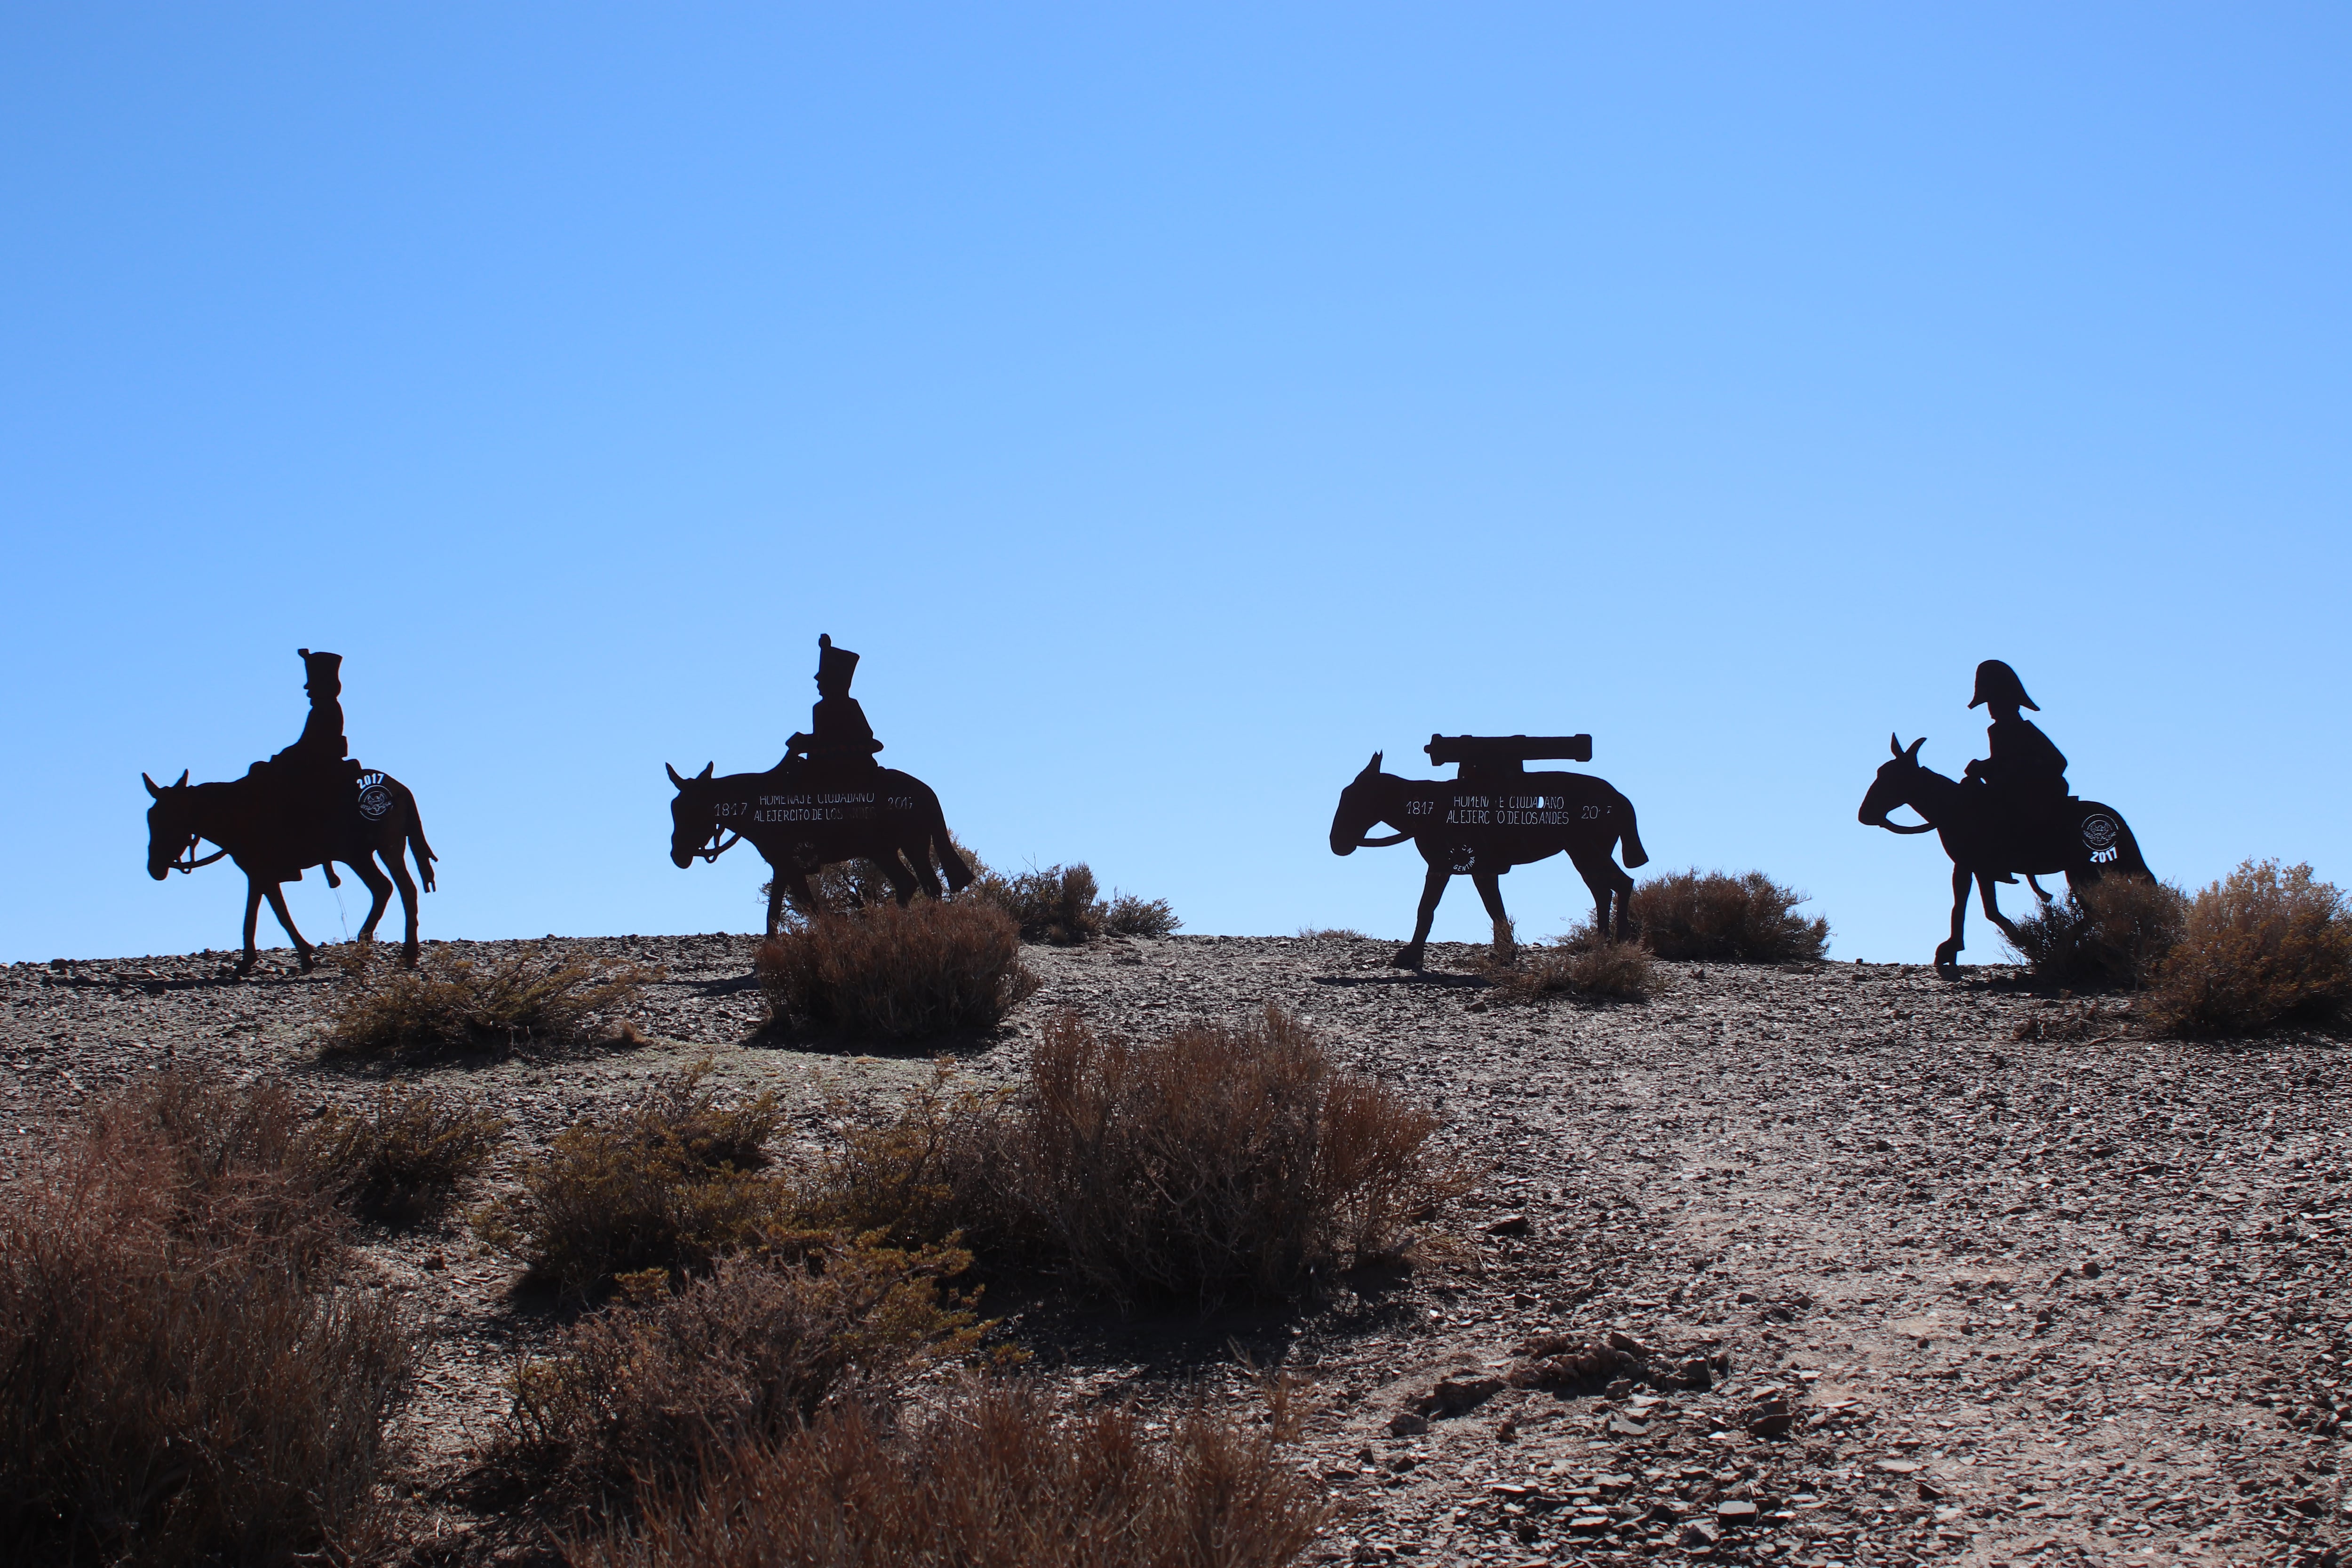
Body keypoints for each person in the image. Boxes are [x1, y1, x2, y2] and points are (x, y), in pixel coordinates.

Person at [1962, 659, 2069, 844]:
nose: (1991, 708)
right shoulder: (1996, 731)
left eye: (1995, 701)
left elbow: (2058, 761)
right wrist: (1984, 768)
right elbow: (2000, 762)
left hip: (2033, 794)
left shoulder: (2024, 730)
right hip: (2007, 790)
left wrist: (2018, 770)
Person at [783, 634, 883, 772]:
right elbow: (820, 738)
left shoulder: (850, 706)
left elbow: (866, 735)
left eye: (822, 682)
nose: (819, 686)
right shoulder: (819, 708)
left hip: (850, 764)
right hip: (822, 761)